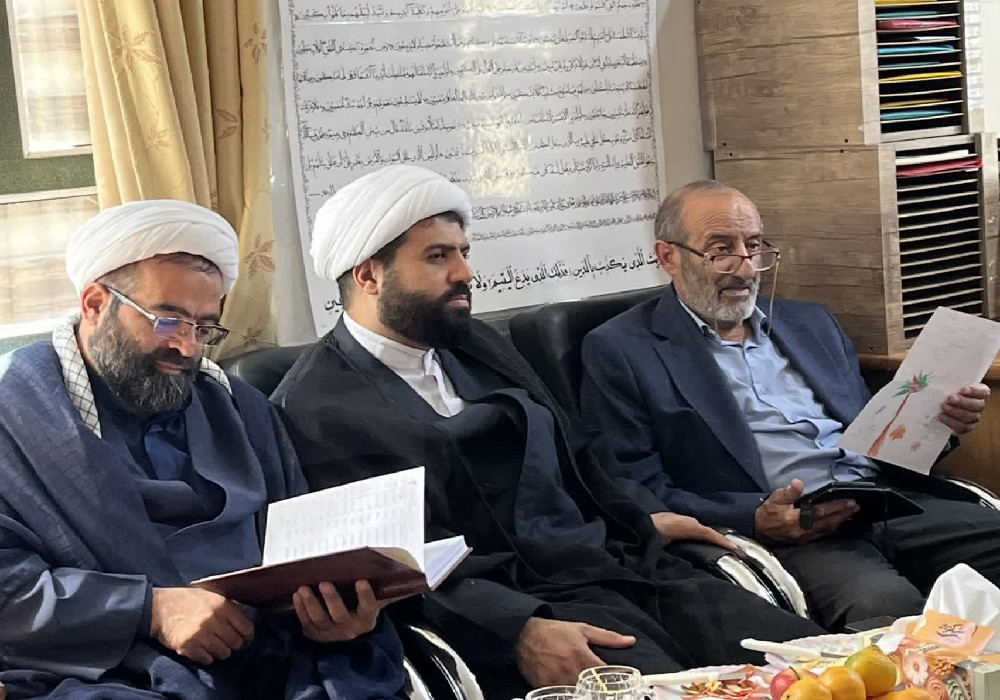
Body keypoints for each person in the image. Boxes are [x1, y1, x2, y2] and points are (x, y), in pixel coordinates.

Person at [272, 165, 824, 699]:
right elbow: (388, 569)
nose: (465, 272)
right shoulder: (318, 407)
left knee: (814, 667)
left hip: (614, 564)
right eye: (439, 256)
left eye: (463, 252)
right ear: (369, 275)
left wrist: (639, 516)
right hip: (521, 610)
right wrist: (519, 630)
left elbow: (576, 449)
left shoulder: (473, 345)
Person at [0, 200, 407, 699]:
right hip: (115, 668)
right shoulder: (17, 415)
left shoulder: (240, 408)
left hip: (272, 651)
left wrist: (331, 615)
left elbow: (301, 546)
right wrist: (150, 610)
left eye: (204, 327)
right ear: (95, 303)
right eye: (168, 320)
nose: (188, 347)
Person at [580, 179, 1000, 632]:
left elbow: (877, 438)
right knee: (888, 612)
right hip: (796, 530)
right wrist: (754, 518)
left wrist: (938, 425)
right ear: (669, 257)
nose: (745, 268)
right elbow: (632, 486)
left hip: (888, 502)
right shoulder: (623, 350)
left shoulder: (811, 323)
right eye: (721, 250)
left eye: (754, 246)